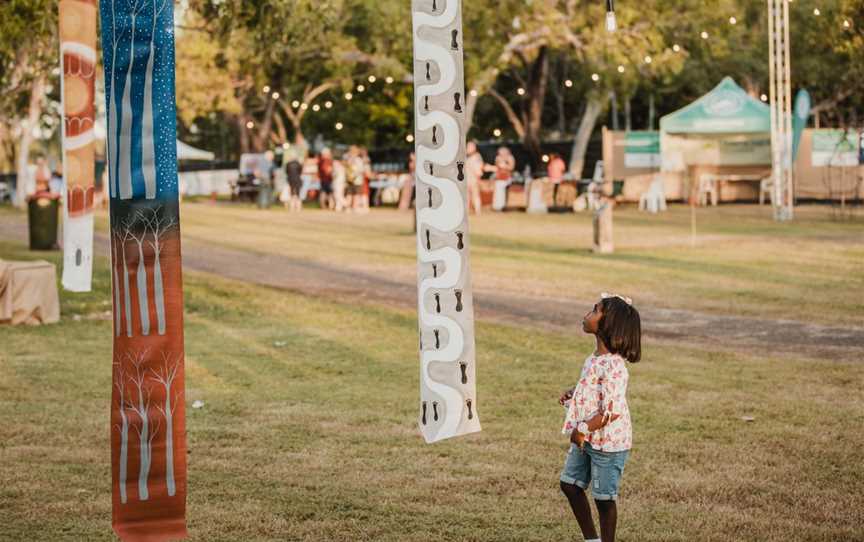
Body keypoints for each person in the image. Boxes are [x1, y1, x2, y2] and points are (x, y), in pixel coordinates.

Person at [558, 293, 641, 542]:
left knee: (604, 499)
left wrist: (582, 428)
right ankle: (591, 539)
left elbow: (611, 410)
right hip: (589, 438)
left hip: (608, 443)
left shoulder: (615, 366)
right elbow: (593, 389)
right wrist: (574, 394)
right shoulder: (594, 359)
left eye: (594, 311)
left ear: (608, 324)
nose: (587, 315)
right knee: (570, 485)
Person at [465, 141, 485, 215]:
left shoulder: (476, 156)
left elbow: (478, 168)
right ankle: (467, 210)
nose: (468, 148)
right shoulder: (467, 157)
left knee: (475, 194)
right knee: (467, 195)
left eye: (470, 147)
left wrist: (478, 177)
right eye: (468, 147)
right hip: (467, 178)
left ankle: (478, 211)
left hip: (473, 178)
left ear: (474, 148)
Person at [283, 147, 303, 212]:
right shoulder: (299, 164)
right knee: (298, 194)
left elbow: (286, 172)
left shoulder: (288, 164)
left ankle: (291, 208)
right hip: (298, 179)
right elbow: (300, 172)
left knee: (291, 194)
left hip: (290, 179)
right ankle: (298, 208)